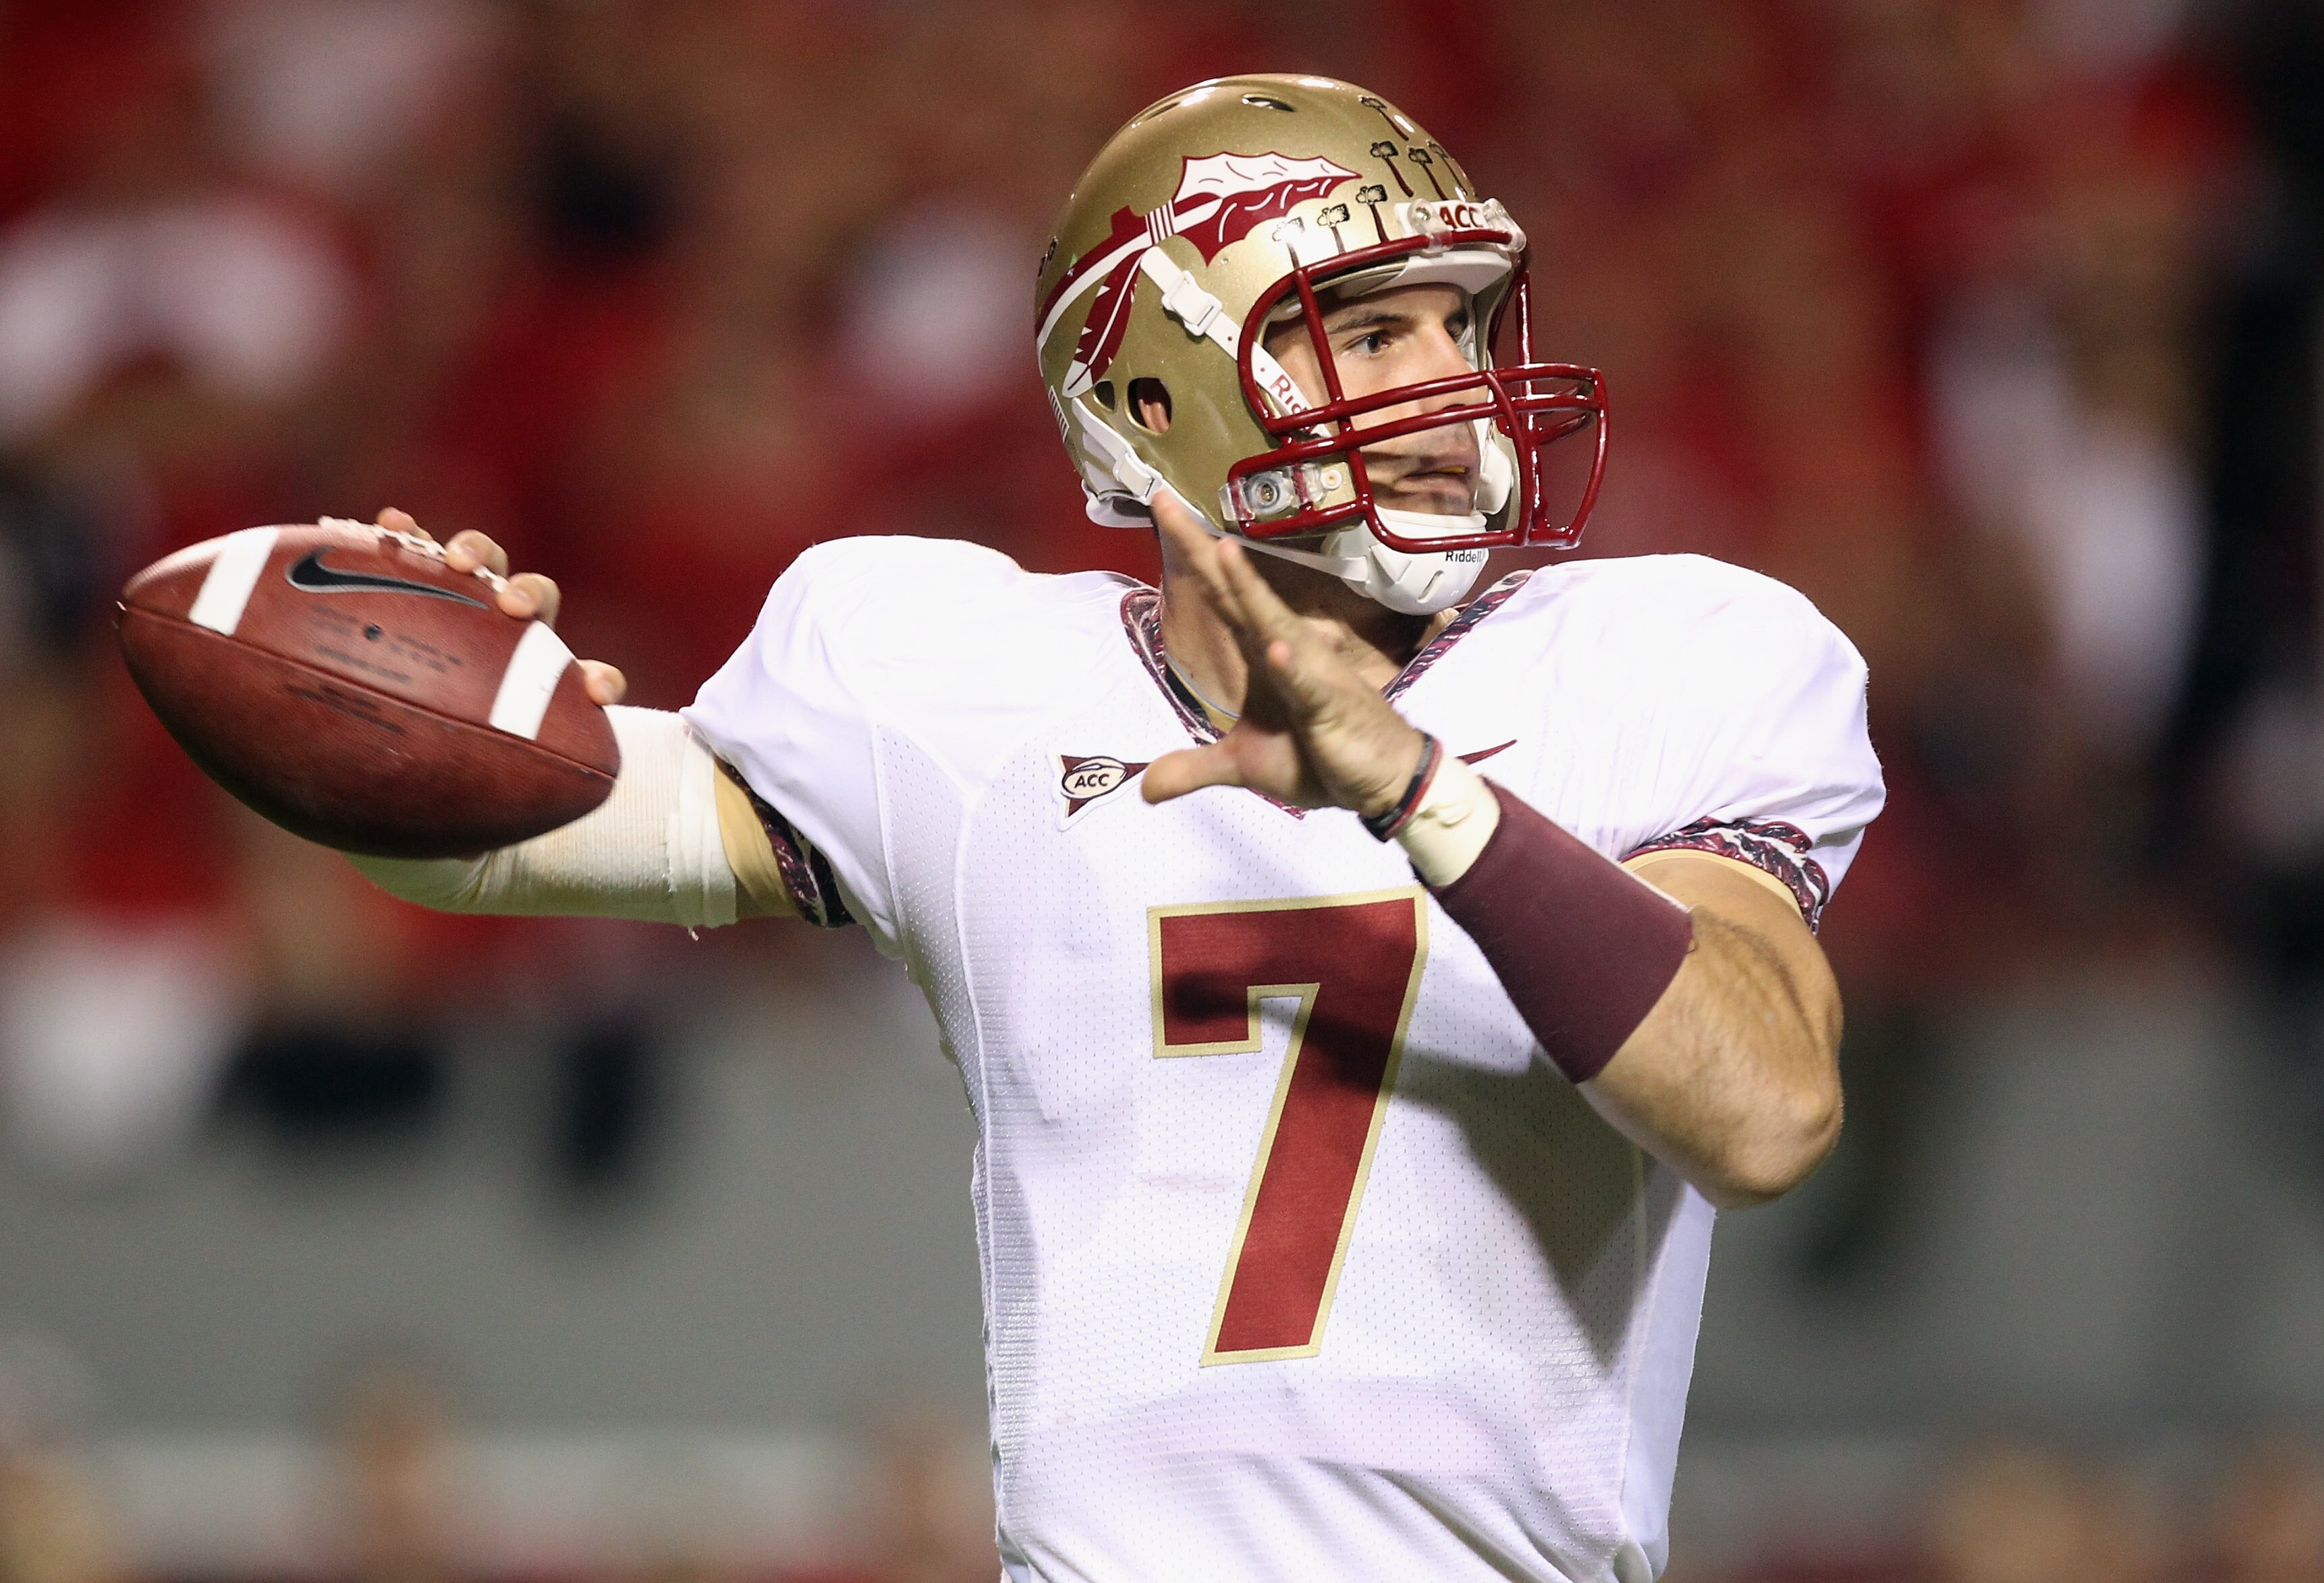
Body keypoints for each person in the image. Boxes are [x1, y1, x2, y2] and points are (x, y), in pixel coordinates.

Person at [352, 76, 1882, 1583]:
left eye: (1464, 322)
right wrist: (413, 693)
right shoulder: (962, 679)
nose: (1456, 382)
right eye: (1369, 330)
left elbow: (1764, 1114)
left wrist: (1427, 795)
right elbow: (495, 842)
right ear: (1157, 401)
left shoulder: (1670, 657)